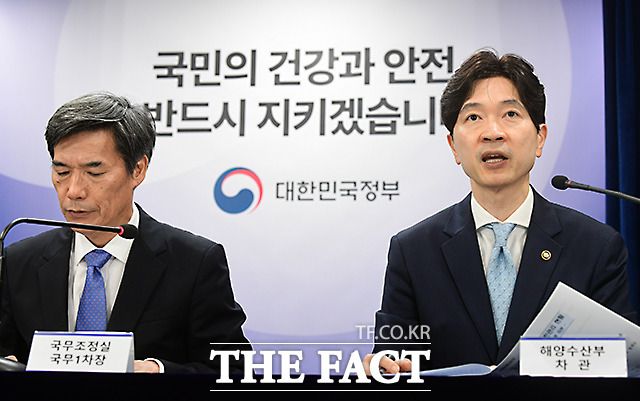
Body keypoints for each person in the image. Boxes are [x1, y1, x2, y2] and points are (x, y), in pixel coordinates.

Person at [365, 49, 636, 374]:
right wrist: (384, 368)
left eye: (510, 114)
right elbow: (393, 358)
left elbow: (618, 364)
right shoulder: (413, 252)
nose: (492, 132)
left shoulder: (596, 248)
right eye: (473, 118)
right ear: (453, 147)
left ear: (540, 138)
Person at [0, 92, 251, 373]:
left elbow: (234, 372)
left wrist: (159, 371)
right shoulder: (18, 261)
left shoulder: (194, 263)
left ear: (138, 170)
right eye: (62, 172)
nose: (74, 191)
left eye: (94, 173)